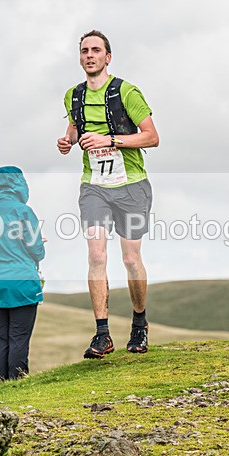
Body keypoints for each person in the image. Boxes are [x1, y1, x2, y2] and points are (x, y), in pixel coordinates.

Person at [56, 29, 160, 359]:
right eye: (84, 50)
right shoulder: (73, 95)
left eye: (96, 50)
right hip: (94, 187)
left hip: (130, 185)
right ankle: (102, 334)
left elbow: (152, 137)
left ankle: (139, 325)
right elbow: (75, 129)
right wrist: (66, 141)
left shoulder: (127, 92)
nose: (89, 55)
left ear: (107, 57)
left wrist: (110, 141)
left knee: (130, 259)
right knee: (97, 255)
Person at [0, 166, 45, 381]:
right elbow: (36, 249)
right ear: (18, 184)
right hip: (20, 281)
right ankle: (17, 383)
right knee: (19, 338)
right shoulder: (23, 211)